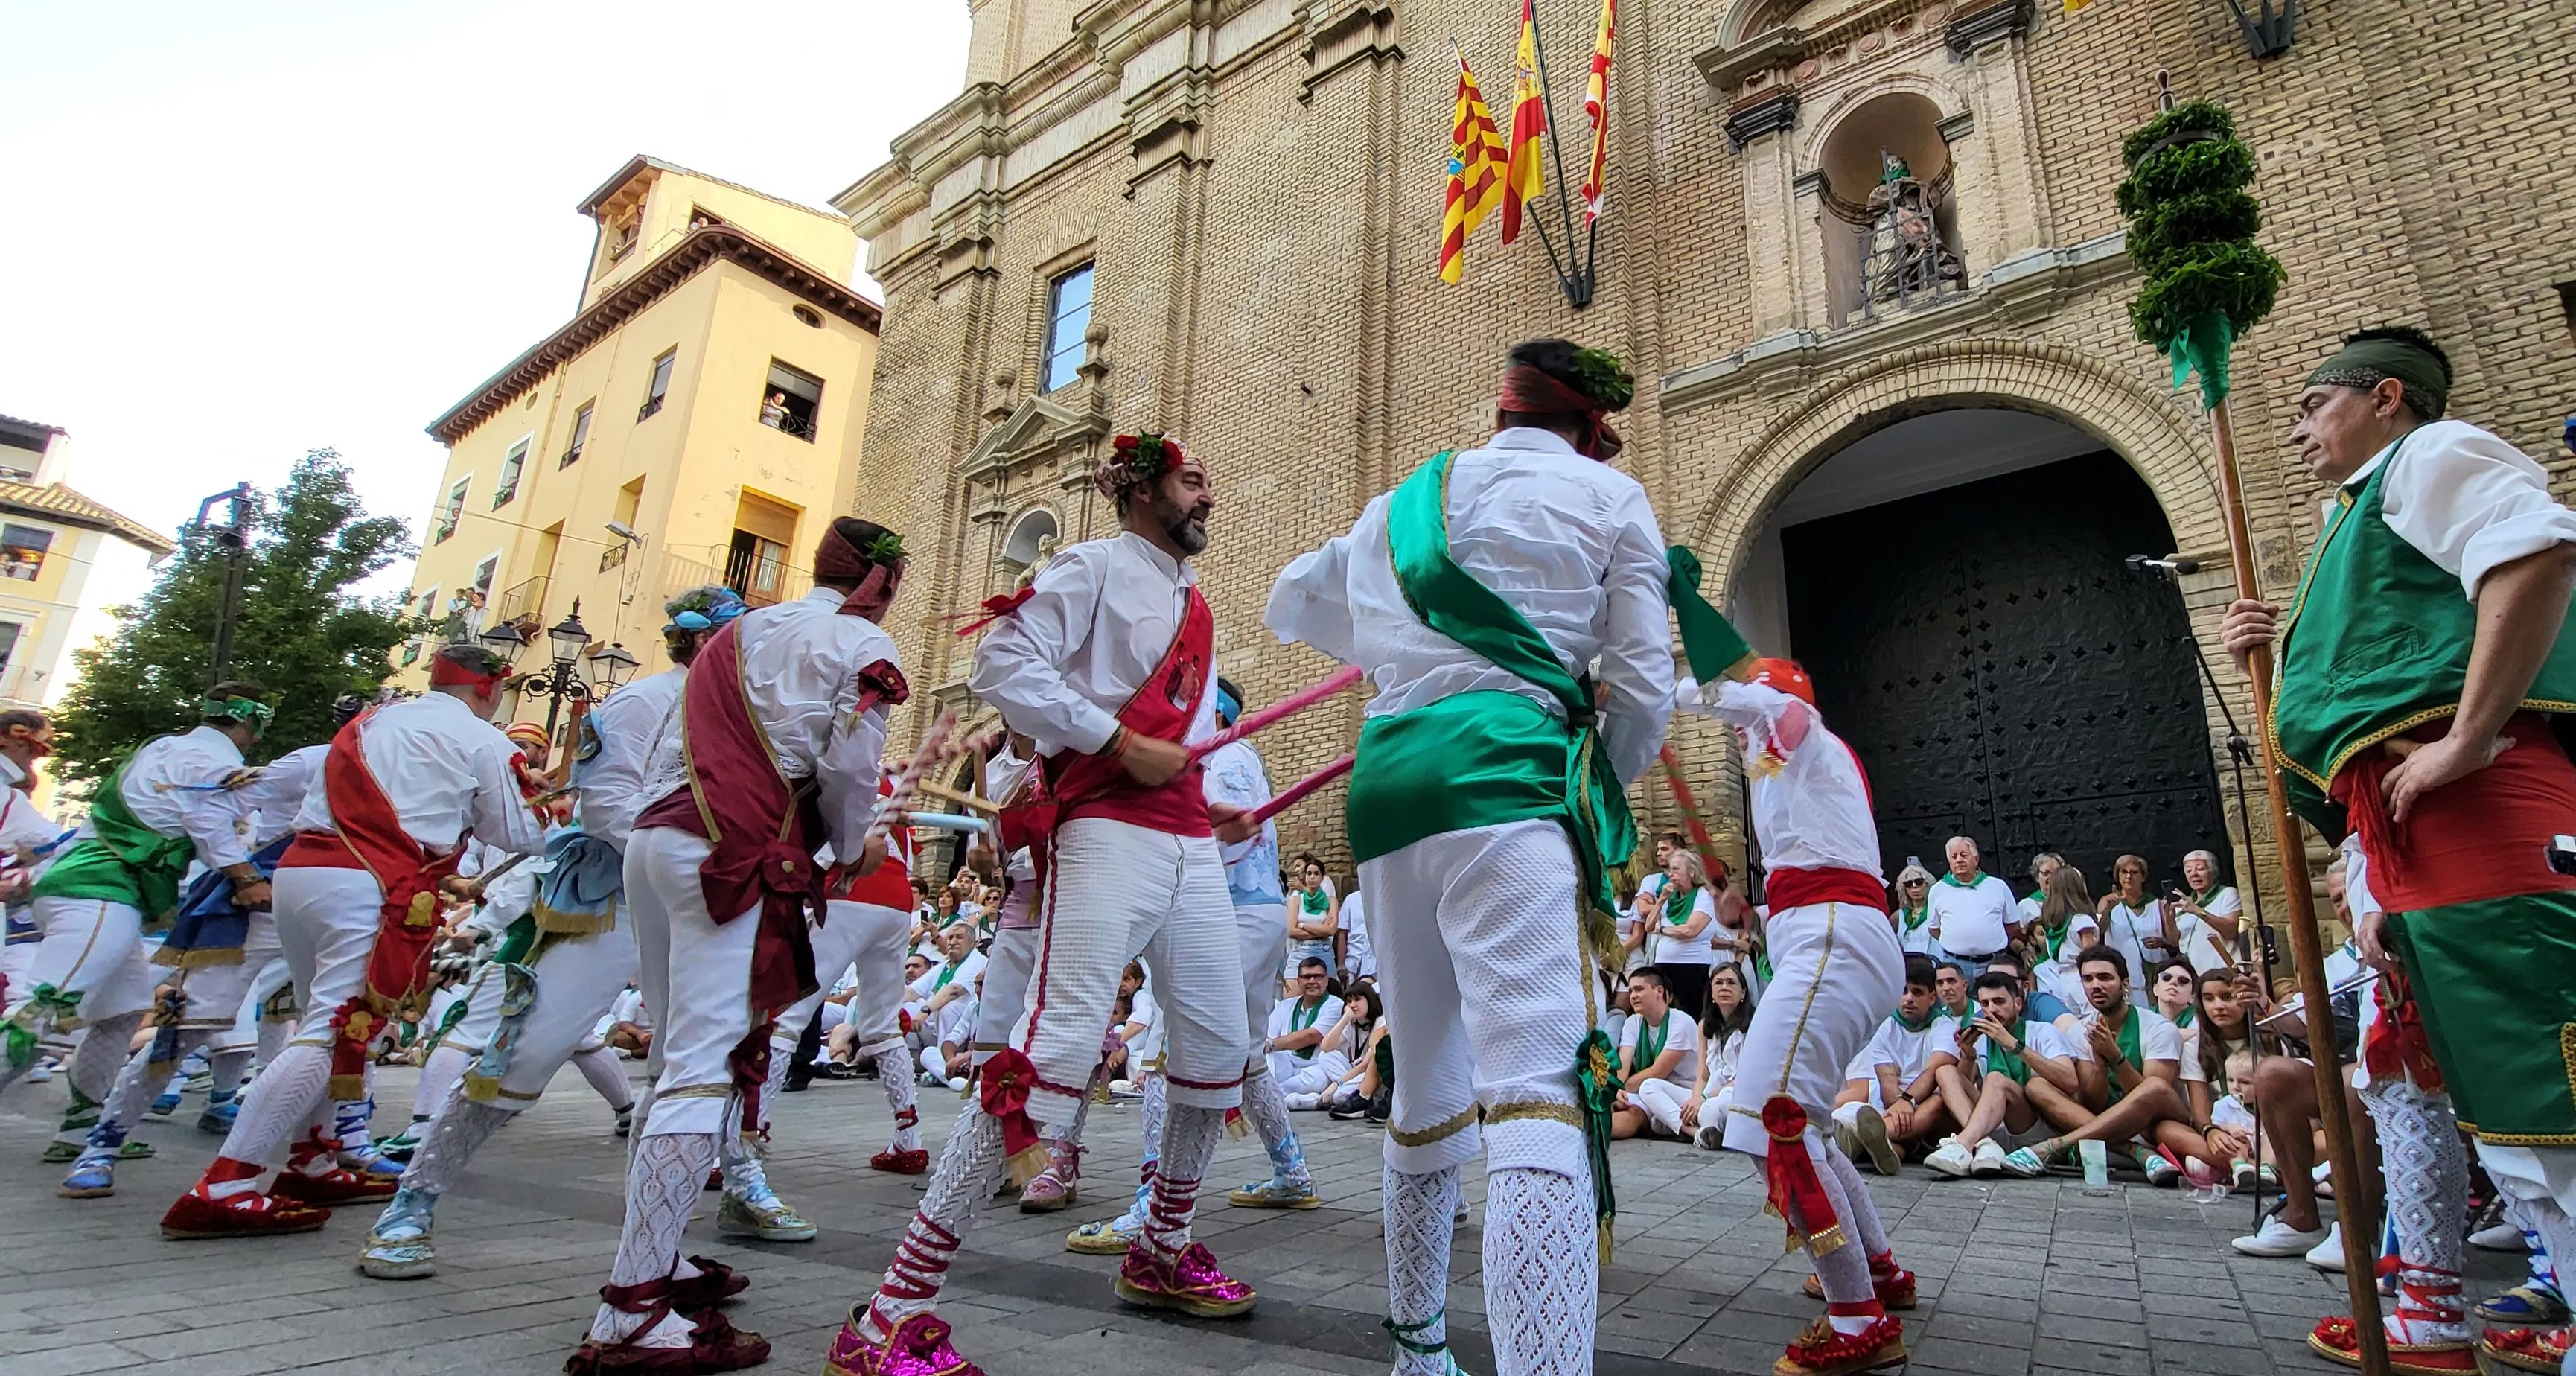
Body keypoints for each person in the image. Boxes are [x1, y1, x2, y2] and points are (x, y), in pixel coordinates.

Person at [1263, 339, 1671, 1376]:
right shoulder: (1611, 497)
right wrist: (1600, 786)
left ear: (1506, 413)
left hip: (1389, 787)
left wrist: (1405, 652)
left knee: (1427, 1084)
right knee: (1538, 1095)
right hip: (1508, 776)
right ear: (1589, 427)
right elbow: (1643, 686)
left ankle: (1418, 1352)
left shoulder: (1410, 497)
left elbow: (1292, 600)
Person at [826, 432, 1255, 1376]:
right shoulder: (1088, 567)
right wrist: (1113, 738)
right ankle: (890, 1314)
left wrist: (1198, 799)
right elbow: (1003, 669)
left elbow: (1169, 739)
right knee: (1058, 1046)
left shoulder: (1194, 600)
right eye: (1194, 479)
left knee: (1220, 1048)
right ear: (1141, 490)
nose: (1208, 497)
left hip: (1185, 839)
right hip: (1104, 830)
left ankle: (1161, 1249)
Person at [2221, 327, 2576, 1355]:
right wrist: (2277, 642)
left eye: (2310, 409)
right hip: (2409, 829)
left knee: (2543, 1101)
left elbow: (2540, 548)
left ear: (2384, 397)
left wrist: (2466, 738)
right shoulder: (2356, 515)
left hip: (2481, 813)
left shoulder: (2429, 454)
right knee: (2502, 1120)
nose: (2294, 433)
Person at [570, 519, 912, 1372]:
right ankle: (635, 1307)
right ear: (883, 581)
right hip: (731, 847)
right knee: (701, 1067)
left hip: (658, 838)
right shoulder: (861, 640)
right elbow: (850, 768)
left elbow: (672, 750)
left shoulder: (738, 632)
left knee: (670, 1063)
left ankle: (657, 1258)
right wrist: (849, 843)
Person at [353, 588, 739, 1278]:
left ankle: (659, 1248)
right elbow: (606, 802)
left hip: (699, 905)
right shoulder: (644, 702)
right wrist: (690, 859)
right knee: (526, 1050)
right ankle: (410, 1205)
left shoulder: (738, 715)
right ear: (706, 642)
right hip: (610, 895)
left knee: (698, 1067)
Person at [160, 651, 550, 1239]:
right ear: (491, 689)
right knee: (336, 1025)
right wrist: (540, 802)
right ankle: (225, 1184)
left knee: (331, 1018)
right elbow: (517, 834)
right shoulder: (482, 739)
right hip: (371, 881)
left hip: (303, 871)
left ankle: (312, 1158)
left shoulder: (375, 720)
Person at [1685, 656, 1912, 1375]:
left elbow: (1770, 710)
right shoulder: (1788, 776)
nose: (1748, 745)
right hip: (1827, 937)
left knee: (1766, 1124)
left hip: (1836, 941)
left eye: (1754, 725)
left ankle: (1856, 1320)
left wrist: (1638, 680)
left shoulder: (1804, 732)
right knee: (1800, 1123)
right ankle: (1876, 1270)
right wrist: (1752, 908)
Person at [60, 694, 357, 1196]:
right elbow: (209, 806)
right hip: (265, 904)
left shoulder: (413, 779)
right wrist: (241, 875)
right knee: (188, 1027)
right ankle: (101, 1145)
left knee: (344, 1028)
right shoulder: (310, 762)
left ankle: (325, 1150)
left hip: (347, 914)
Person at [1, 684, 275, 1165]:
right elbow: (211, 822)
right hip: (100, 890)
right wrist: (245, 876)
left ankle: (82, 1128)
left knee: (121, 1013)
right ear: (252, 721)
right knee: (45, 1007)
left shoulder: (164, 747)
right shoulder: (208, 761)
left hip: (95, 891)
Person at [1201, 677, 1326, 1214]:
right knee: (1248, 1054)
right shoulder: (1227, 754)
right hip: (1250, 914)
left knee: (1181, 1046)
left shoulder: (1226, 756)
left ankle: (1153, 1202)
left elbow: (1229, 818)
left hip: (1237, 916)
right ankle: (1291, 1171)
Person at [1996, 946, 2225, 1185]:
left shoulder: (2159, 1028)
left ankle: (2055, 1147)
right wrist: (2099, 1062)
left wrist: (2115, 1057)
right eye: (2088, 979)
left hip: (2155, 1123)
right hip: (2107, 1126)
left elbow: (2153, 1100)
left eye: (2105, 978)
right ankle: (2133, 1152)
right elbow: (2094, 1103)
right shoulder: (2080, 1031)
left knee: (2154, 1086)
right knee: (2037, 1086)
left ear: (2125, 984)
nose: (2096, 985)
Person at [1923, 972, 2092, 1178]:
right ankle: (1984, 1144)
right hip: (1991, 1127)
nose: (1992, 1010)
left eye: (1999, 1002)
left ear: (2018, 1004)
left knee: (1996, 1079)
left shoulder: (2042, 1031)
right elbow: (1961, 1092)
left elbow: (2069, 1081)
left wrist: (2014, 1046)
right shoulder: (1981, 1037)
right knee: (1945, 1071)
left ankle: (1963, 1144)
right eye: (1985, 1004)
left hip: (2033, 1126)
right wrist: (1968, 1056)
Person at [1831, 953, 1953, 1173]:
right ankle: (1883, 1146)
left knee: (1938, 1100)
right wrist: (1900, 1103)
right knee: (1895, 1145)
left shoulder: (1944, 1027)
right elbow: (1887, 1083)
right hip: (1891, 1109)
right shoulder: (1885, 1028)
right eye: (1904, 991)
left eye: (1918, 993)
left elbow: (1932, 1072)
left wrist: (1907, 1100)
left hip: (1924, 1112)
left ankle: (1853, 1142)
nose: (1909, 999)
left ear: (1932, 998)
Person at [1633, 847, 1720, 1021]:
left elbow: (1690, 930)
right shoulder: (1670, 896)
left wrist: (1663, 930)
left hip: (1691, 965)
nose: (1670, 874)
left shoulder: (1703, 896)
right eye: (1669, 869)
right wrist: (1661, 900)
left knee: (1691, 1014)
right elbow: (1649, 927)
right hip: (1664, 964)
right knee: (1664, 1013)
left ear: (1691, 873)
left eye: (1676, 870)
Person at [1683, 963, 1756, 1148]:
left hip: (1739, 1092)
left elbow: (1747, 1077)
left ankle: (1705, 1129)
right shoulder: (1705, 1025)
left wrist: (1705, 1099)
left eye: (1731, 983)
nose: (1724, 988)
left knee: (1720, 1103)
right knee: (1649, 1088)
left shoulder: (1755, 1023)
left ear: (1743, 993)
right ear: (1712, 992)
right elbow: (1703, 1075)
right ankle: (1698, 1132)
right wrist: (1695, 1100)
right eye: (1719, 983)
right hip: (1710, 1092)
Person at [2093, 855, 2178, 1004]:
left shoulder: (2157, 905)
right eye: (2124, 872)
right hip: (2124, 977)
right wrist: (2107, 912)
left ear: (2143, 877)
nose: (2128, 877)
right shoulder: (2108, 902)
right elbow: (2097, 934)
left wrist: (2162, 942)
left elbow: (2174, 941)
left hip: (2153, 976)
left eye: (2134, 872)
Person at [1925, 836, 2016, 974]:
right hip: (1955, 964)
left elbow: (2012, 925)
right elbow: (1934, 929)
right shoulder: (1937, 890)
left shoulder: (1998, 886)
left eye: (1963, 855)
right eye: (1954, 857)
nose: (1959, 860)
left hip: (1994, 963)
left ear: (1976, 859)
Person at [2024, 864, 2100, 1029]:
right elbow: (2090, 954)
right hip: (2082, 976)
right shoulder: (2081, 921)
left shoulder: (2054, 925)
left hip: (2064, 979)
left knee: (2073, 1024)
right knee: (2093, 1018)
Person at [1263, 956, 1349, 1098]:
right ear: (1298, 981)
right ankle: (1285, 1097)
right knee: (1267, 1054)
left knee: (1319, 1080)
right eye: (1306, 977)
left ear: (1327, 981)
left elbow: (1312, 1035)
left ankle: (1276, 1095)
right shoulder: (1285, 1005)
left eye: (1318, 977)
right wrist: (1269, 1045)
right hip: (1287, 1064)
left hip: (1314, 1067)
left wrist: (1272, 1044)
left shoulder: (1335, 1004)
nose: (1312, 981)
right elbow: (1269, 1039)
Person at [2170, 849, 2244, 972]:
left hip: (2222, 971)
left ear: (2213, 872)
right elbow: (2175, 942)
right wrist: (2169, 918)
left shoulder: (2227, 894)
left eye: (2200, 869)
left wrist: (2198, 911)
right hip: (2194, 976)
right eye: (2189, 870)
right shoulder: (2184, 903)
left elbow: (2231, 931)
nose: (2194, 874)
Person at [1286, 852, 1339, 978]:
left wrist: (1303, 925)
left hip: (1323, 951)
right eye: (1309, 873)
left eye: (1316, 874)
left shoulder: (1331, 901)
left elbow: (1331, 929)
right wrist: (1321, 931)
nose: (1312, 877)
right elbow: (1291, 931)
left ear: (1322, 877)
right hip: (1299, 952)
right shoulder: (1296, 900)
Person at [1889, 861, 1939, 958]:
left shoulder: (1936, 910)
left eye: (1919, 882)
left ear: (1927, 884)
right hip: (1910, 968)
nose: (1914, 886)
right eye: (1908, 884)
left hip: (1935, 965)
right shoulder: (1899, 916)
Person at [2017, 853, 2065, 926]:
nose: (2052, 877)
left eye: (2057, 872)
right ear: (2037, 877)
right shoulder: (2026, 905)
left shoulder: (2070, 900)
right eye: (2046, 873)